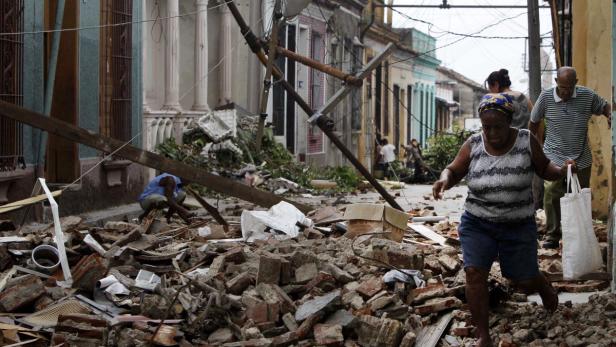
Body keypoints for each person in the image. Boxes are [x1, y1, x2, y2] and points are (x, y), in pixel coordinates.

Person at [433, 93, 573, 347]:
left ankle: (540, 282)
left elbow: (544, 169)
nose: (492, 133)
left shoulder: (525, 140)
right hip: (478, 222)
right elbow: (453, 169)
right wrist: (444, 179)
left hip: (517, 224)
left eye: (498, 126)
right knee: (474, 273)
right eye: (487, 127)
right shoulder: (474, 143)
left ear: (509, 122)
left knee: (522, 280)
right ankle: (483, 335)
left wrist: (561, 171)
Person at [529, 66, 611, 249]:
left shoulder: (587, 96)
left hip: (581, 156)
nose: (565, 92)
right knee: (552, 194)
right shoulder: (546, 97)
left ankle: (578, 235)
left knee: (580, 196)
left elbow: (604, 106)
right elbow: (533, 123)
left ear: (576, 83)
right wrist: (535, 149)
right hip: (553, 155)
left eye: (569, 87)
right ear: (556, 82)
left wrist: (610, 116)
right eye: (562, 87)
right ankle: (552, 235)